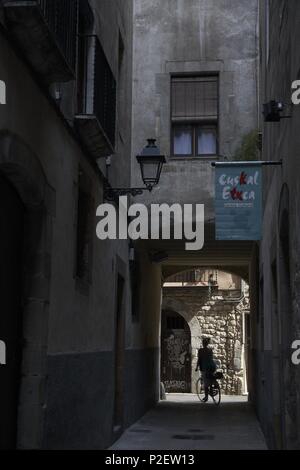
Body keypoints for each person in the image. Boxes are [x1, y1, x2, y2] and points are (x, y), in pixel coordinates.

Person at [195, 337, 216, 402]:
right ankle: (212, 389)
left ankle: (206, 397)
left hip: (205, 367)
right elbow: (211, 358)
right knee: (211, 378)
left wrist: (196, 367)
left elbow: (199, 360)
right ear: (207, 344)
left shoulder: (200, 351)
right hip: (212, 366)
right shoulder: (210, 350)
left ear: (203, 343)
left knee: (205, 383)